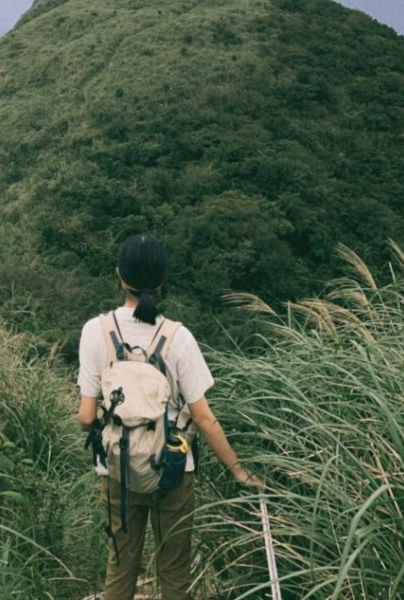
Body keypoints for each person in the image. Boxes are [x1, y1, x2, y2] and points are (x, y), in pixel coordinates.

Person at [77, 233, 259, 600]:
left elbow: (85, 417)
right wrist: (240, 472)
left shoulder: (96, 332)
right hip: (173, 472)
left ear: (119, 275)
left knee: (119, 570)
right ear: (161, 282)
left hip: (118, 472)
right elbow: (204, 419)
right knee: (174, 575)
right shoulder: (178, 338)